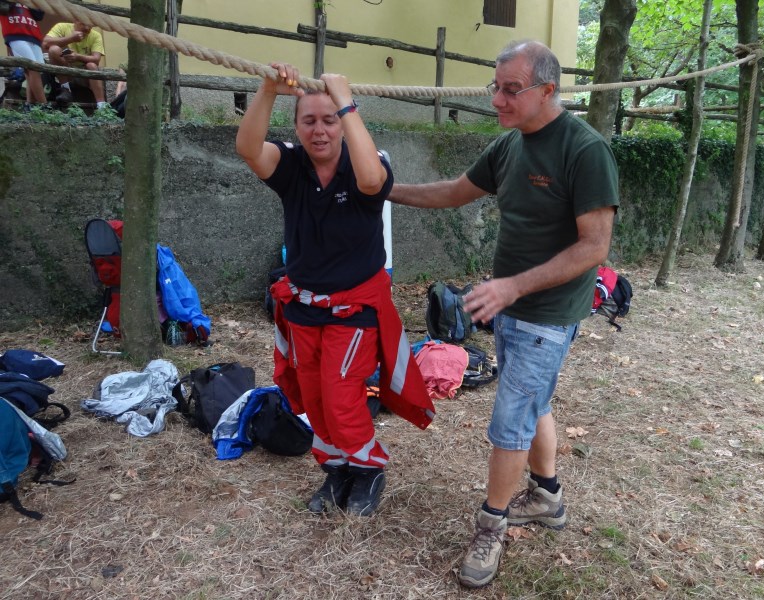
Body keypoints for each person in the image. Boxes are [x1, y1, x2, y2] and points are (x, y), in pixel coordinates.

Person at [389, 40, 619, 588]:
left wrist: (513, 285)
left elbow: (594, 246)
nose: (497, 99)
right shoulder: (510, 146)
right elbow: (454, 192)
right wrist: (385, 191)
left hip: (547, 312)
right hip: (510, 304)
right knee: (533, 401)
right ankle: (547, 496)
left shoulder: (585, 150)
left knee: (511, 418)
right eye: (496, 86)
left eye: (511, 89)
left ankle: (490, 525)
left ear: (548, 89)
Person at [236, 63, 434, 517]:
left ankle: (368, 469)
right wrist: (267, 90)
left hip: (354, 308)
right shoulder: (291, 164)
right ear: (296, 126)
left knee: (341, 394)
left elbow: (373, 182)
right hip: (305, 306)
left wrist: (346, 102)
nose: (320, 130)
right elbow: (248, 149)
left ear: (345, 123)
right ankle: (336, 468)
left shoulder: (365, 162)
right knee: (315, 397)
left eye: (330, 120)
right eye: (309, 121)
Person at [42, 20, 106, 109]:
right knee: (53, 49)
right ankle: (65, 89)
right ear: (75, 20)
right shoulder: (62, 26)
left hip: (84, 73)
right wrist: (70, 39)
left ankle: (102, 106)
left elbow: (96, 59)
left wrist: (77, 57)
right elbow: (45, 43)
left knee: (92, 65)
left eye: (90, 26)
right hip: (66, 69)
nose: (87, 28)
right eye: (83, 24)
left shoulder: (96, 35)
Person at [1, 1, 47, 109]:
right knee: (33, 68)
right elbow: (3, 8)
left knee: (32, 71)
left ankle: (29, 104)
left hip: (33, 35)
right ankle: (44, 105)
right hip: (15, 33)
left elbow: (39, 15)